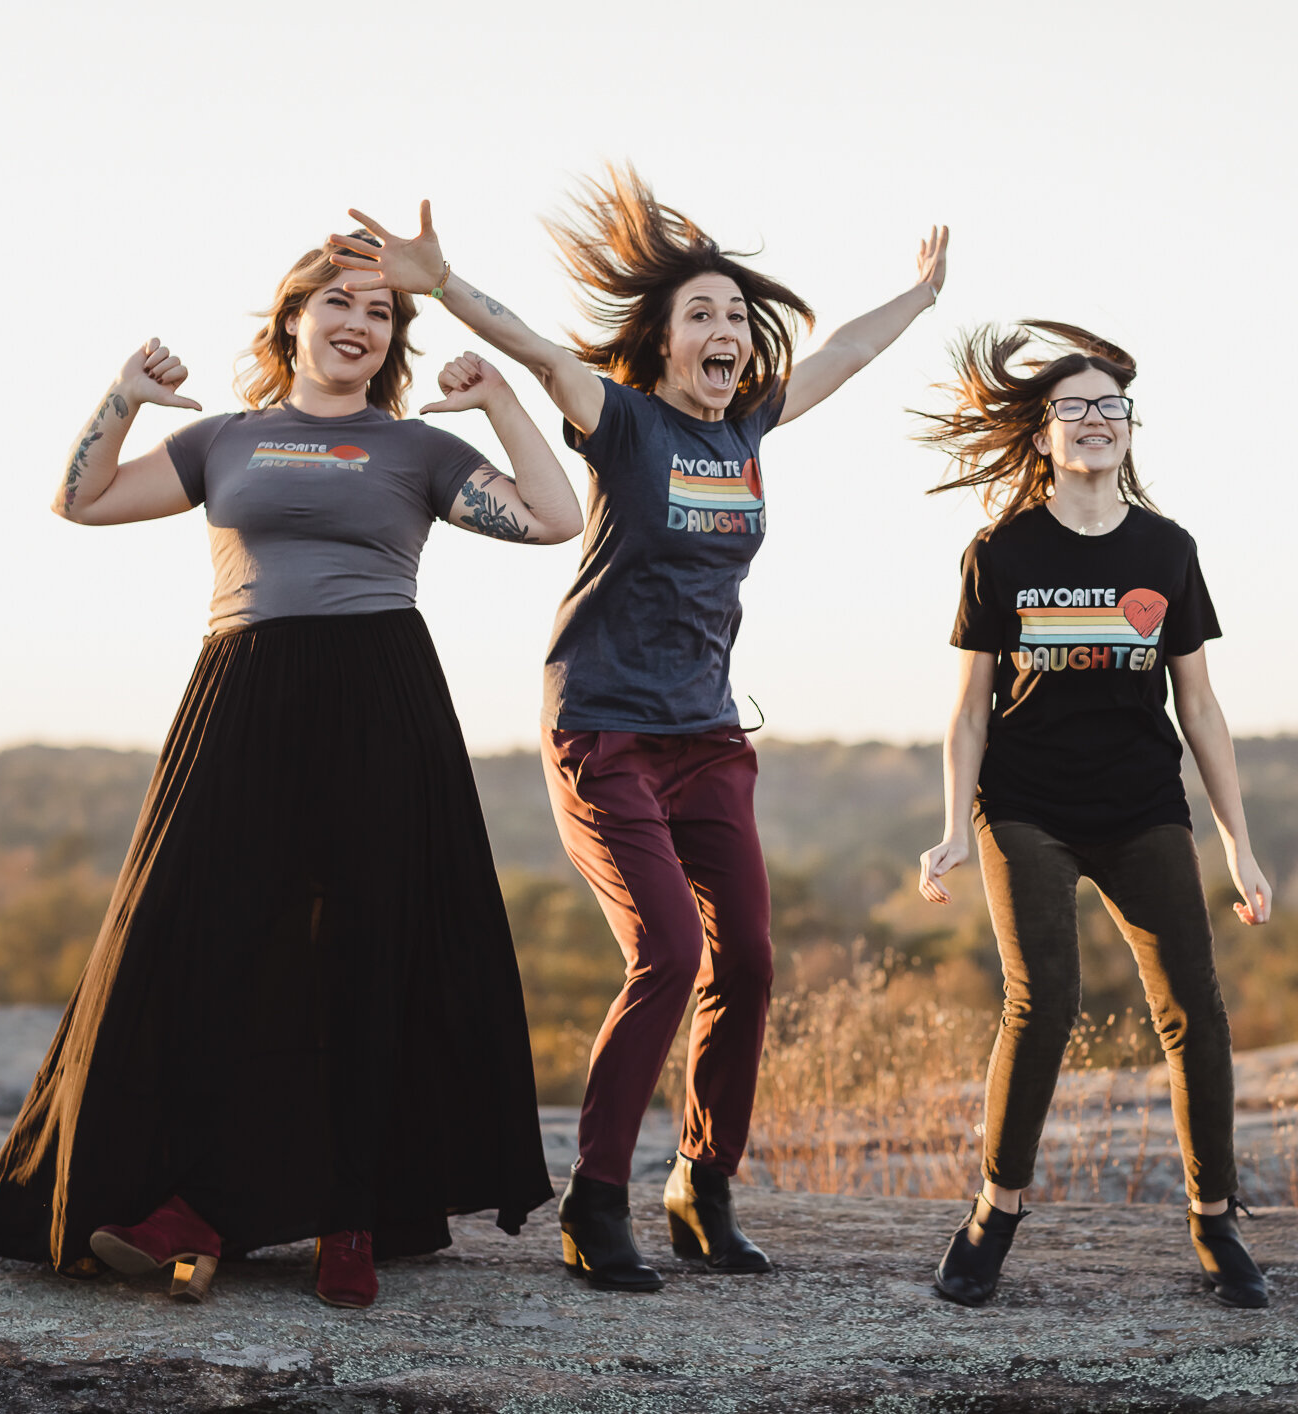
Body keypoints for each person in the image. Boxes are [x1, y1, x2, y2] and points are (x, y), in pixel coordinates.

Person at [330, 168, 949, 1291]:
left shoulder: (749, 424)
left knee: (748, 962)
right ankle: (595, 1197)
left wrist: (920, 294)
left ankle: (703, 1190)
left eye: (735, 317)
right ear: (661, 345)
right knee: (667, 949)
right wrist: (443, 282)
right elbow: (536, 352)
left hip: (710, 739)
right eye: (700, 314)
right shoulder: (623, 422)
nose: (725, 330)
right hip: (604, 730)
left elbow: (846, 357)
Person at [0, 232, 582, 1309]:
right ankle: (187, 1204)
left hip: (381, 697)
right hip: (242, 696)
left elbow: (555, 518)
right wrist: (123, 396)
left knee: (362, 950)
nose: (359, 323)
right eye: (339, 302)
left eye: (381, 312)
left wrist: (498, 405)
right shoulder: (225, 441)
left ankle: (351, 1215)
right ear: (292, 318)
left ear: (391, 339)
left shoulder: (413, 450)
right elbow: (82, 499)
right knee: (194, 939)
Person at [912, 322, 1272, 1310]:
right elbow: (968, 708)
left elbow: (1199, 705)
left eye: (1111, 404)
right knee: (1047, 996)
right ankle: (994, 1213)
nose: (1094, 418)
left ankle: (1214, 1219)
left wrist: (1239, 840)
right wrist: (953, 824)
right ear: (1041, 434)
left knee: (1192, 1004)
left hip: (1140, 802)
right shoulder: (1000, 552)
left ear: (1130, 427)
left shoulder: (1168, 548)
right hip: (1024, 804)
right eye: (1072, 406)